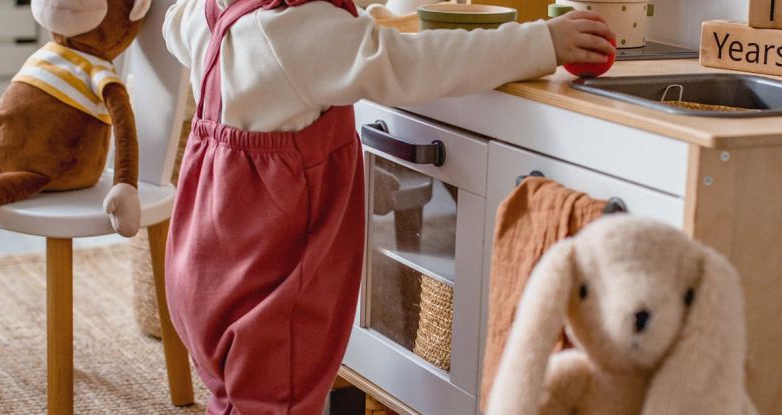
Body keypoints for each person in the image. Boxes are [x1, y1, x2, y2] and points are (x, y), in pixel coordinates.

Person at [162, 0, 615, 413]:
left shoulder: (208, 15)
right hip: (275, 284)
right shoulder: (303, 32)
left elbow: (173, 27)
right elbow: (420, 63)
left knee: (239, 397)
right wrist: (543, 41)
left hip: (205, 268)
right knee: (279, 399)